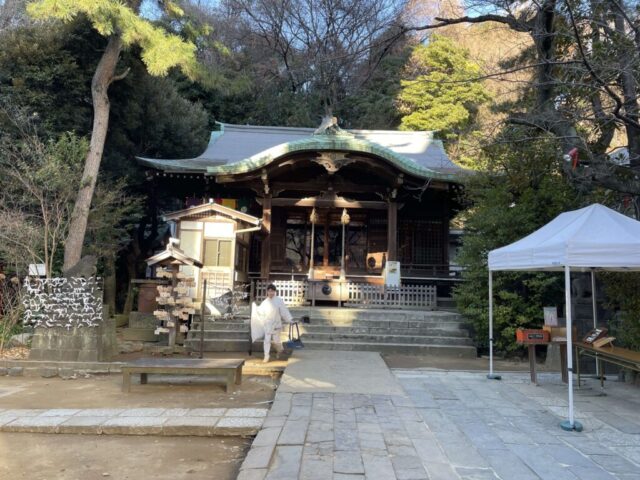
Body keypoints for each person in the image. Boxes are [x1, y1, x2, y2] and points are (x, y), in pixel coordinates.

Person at [257, 284, 293, 363]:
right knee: (267, 340)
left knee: (277, 341)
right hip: (268, 325)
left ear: (275, 292)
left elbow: (284, 311)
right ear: (267, 292)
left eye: (272, 291)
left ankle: (280, 351)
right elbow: (259, 312)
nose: (270, 293)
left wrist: (289, 319)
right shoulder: (265, 302)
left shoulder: (279, 301)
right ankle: (266, 356)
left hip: (276, 324)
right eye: (269, 291)